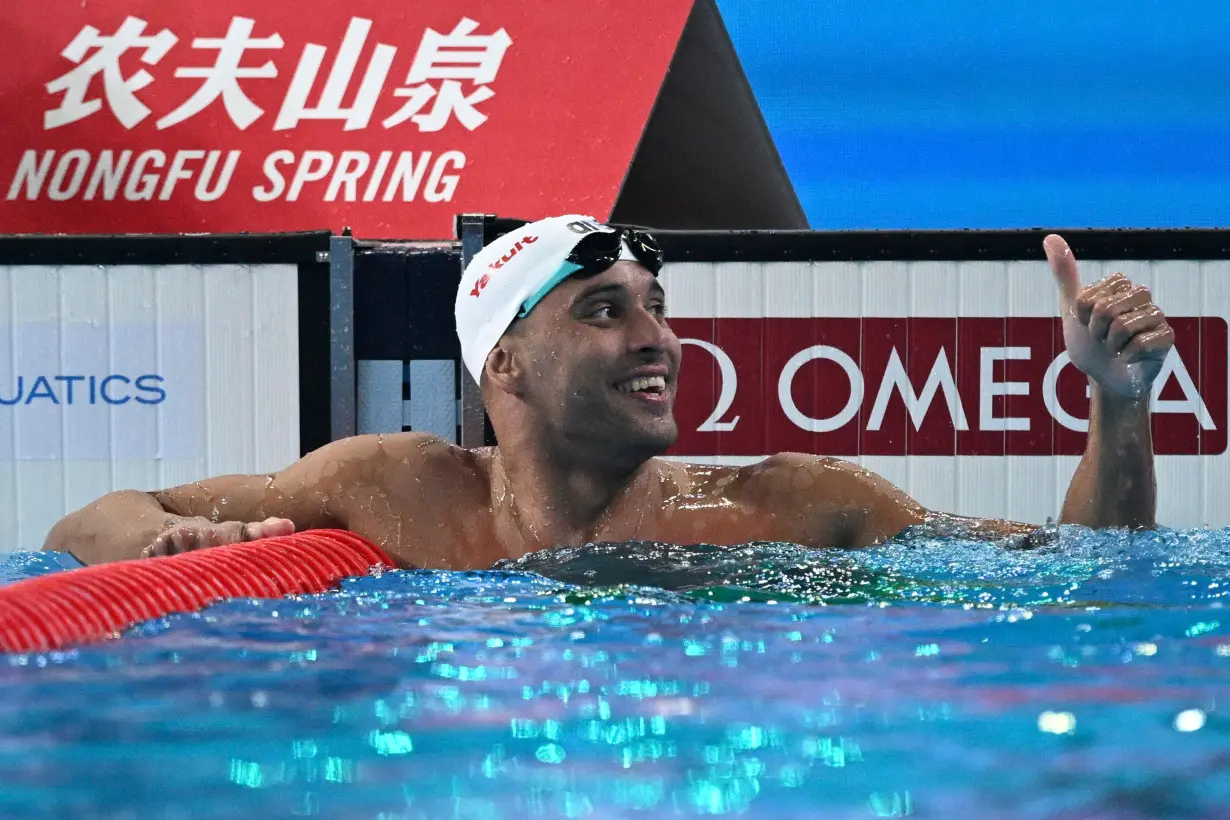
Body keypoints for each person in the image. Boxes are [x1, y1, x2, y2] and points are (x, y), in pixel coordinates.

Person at [43, 215, 1175, 568]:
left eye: (656, 304)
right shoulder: (392, 487)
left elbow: (1089, 576)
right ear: (505, 366)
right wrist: (160, 547)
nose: (657, 337)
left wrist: (1119, 405)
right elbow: (86, 520)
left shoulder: (785, 503)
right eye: (603, 310)